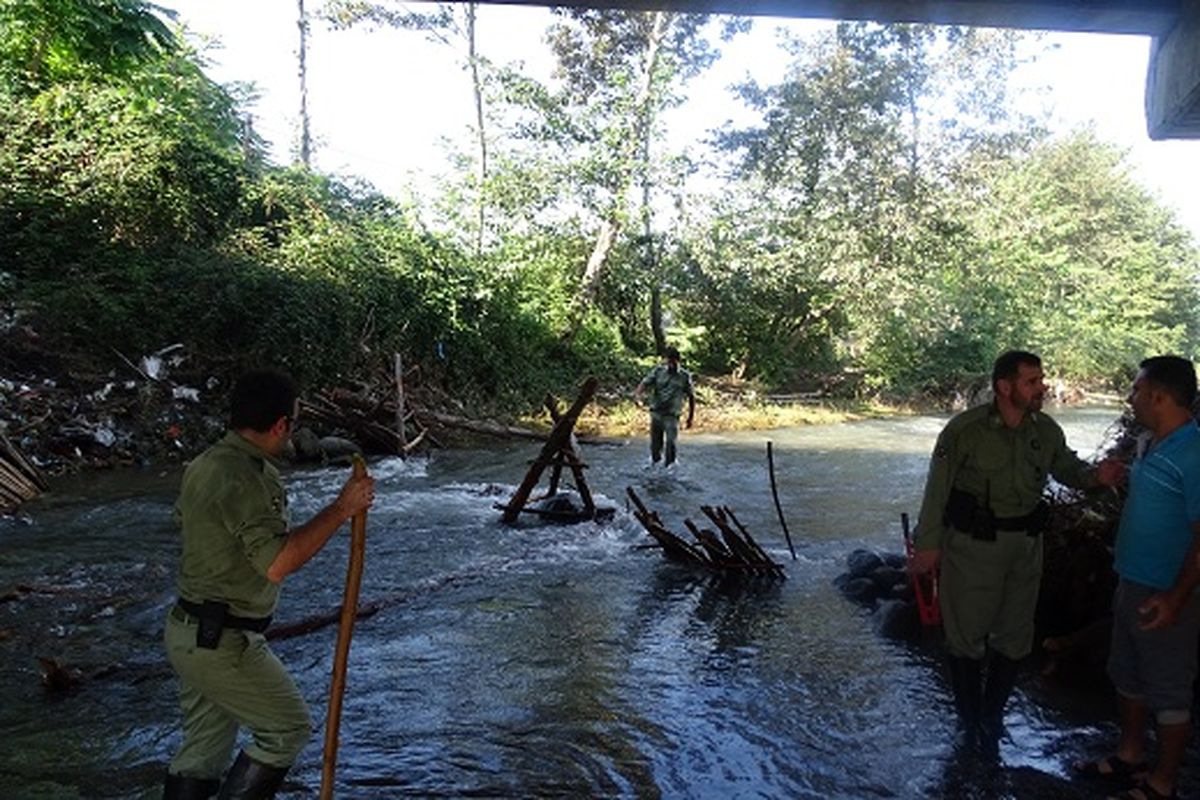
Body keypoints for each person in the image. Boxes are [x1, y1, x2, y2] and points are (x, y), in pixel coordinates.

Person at [162, 369, 375, 799]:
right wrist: (341, 508)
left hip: (189, 630)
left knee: (202, 751)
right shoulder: (248, 477)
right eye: (293, 422)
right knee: (287, 728)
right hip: (223, 639)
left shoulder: (205, 463)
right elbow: (277, 564)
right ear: (280, 425)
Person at [911, 350, 1123, 759]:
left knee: (1014, 639)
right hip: (973, 549)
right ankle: (968, 720)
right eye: (1032, 381)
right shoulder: (964, 431)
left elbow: (1067, 469)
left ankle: (992, 718)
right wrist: (928, 546)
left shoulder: (1045, 431)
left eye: (1041, 379)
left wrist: (1097, 477)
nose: (1041, 387)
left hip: (1026, 548)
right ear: (1004, 387)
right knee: (965, 638)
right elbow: (937, 489)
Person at [1073, 356, 1200, 800]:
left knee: (1168, 688)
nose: (1131, 398)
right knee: (1126, 672)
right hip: (1131, 580)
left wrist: (1176, 598)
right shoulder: (1150, 443)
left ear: (1159, 397)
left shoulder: (1194, 452)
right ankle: (1130, 756)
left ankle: (1162, 784)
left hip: (1167, 592)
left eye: (1136, 390)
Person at [634, 346, 696, 467]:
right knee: (655, 446)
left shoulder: (685, 376)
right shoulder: (658, 371)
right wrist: (637, 397)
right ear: (666, 360)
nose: (671, 365)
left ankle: (670, 469)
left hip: (672, 416)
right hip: (656, 413)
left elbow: (691, 397)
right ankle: (655, 467)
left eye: (674, 362)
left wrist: (690, 418)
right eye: (669, 361)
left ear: (679, 361)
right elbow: (644, 383)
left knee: (671, 444)